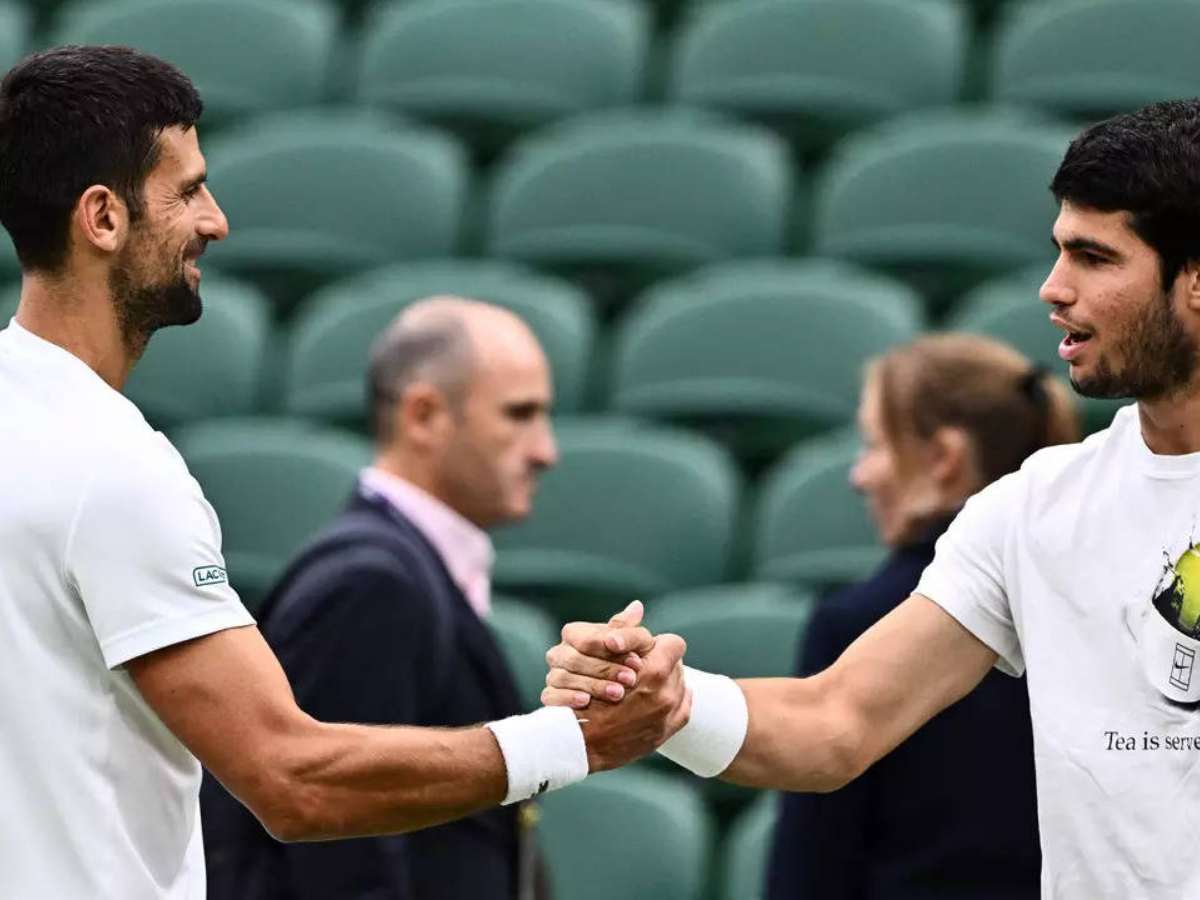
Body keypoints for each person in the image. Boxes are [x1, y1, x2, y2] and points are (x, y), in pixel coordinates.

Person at [0, 45, 687, 900]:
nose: (215, 220)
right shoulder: (114, 466)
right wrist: (576, 741)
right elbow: (292, 778)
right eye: (186, 191)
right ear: (102, 218)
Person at [546, 98, 1200, 898]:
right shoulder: (1030, 509)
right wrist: (669, 704)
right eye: (1059, 252)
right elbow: (837, 722)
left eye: (1095, 259)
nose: (1052, 288)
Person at [203, 297, 566, 899]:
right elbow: (338, 843)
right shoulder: (373, 585)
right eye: (519, 415)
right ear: (423, 415)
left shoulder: (399, 571)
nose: (544, 451)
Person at [767, 333, 1076, 899]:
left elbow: (811, 864)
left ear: (944, 458)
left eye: (873, 446)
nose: (859, 476)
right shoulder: (1092, 601)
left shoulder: (857, 623)